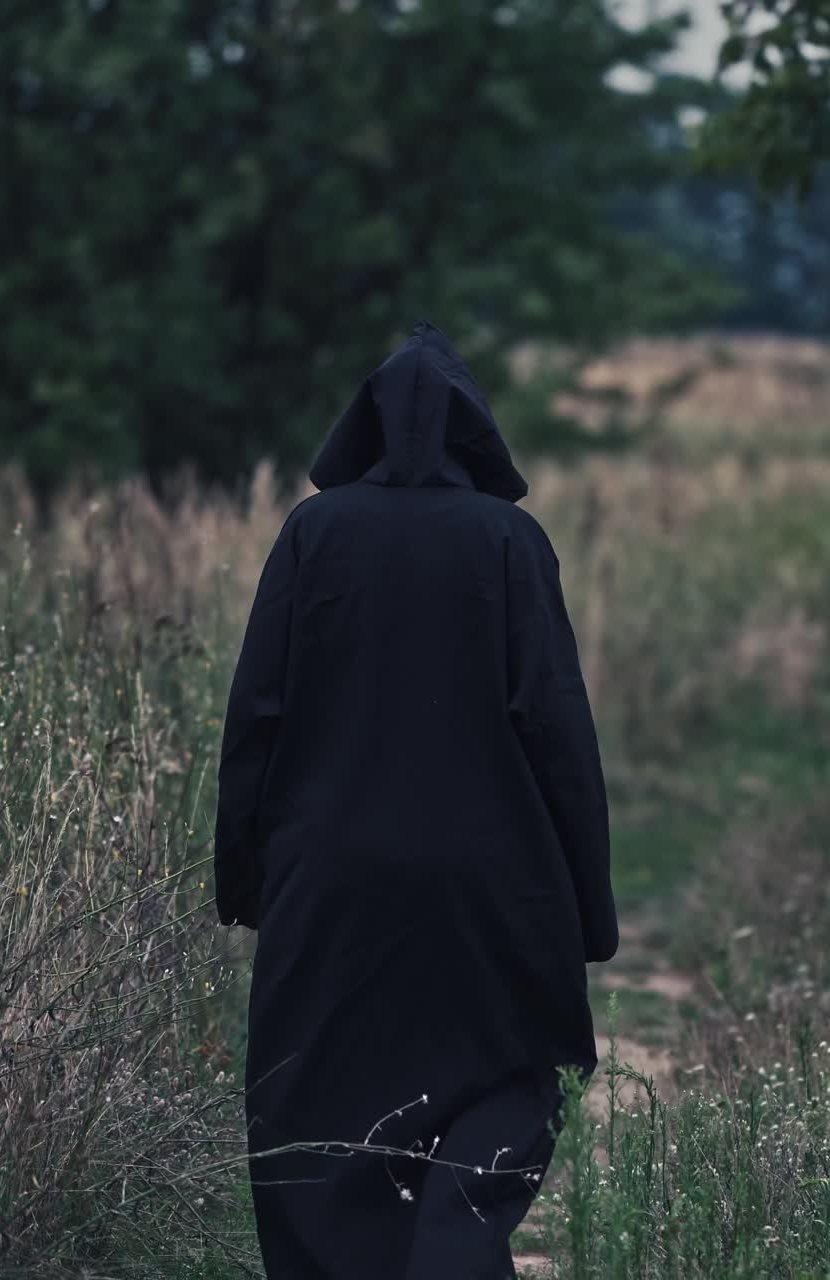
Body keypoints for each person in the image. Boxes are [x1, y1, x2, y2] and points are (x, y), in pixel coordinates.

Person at [212, 318, 619, 1278]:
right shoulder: (510, 541)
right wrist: (587, 912)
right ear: (475, 434)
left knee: (318, 1102)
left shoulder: (313, 535)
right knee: (498, 1077)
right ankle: (451, 1254)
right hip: (492, 884)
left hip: (331, 879)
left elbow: (256, 717)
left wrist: (247, 881)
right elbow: (558, 731)